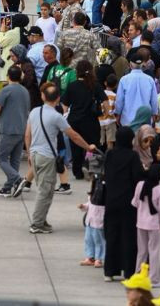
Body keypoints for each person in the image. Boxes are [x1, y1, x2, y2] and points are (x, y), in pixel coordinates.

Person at [26, 81, 95, 233]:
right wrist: (87, 146)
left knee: (46, 190)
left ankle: (41, 220)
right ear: (58, 99)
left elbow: (27, 135)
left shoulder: (34, 112)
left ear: (43, 96)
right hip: (47, 157)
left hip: (35, 155)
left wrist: (29, 153)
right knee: (45, 191)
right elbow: (73, 136)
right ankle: (37, 224)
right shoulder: (57, 117)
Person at [103, 126, 146, 280]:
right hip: (128, 202)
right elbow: (138, 176)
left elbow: (106, 174)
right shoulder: (132, 156)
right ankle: (128, 271)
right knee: (129, 237)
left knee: (112, 236)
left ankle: (110, 271)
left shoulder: (109, 154)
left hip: (111, 200)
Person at [0, 65, 32, 196]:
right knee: (14, 160)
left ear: (8, 76)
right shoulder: (25, 91)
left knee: (1, 158)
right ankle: (8, 187)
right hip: (22, 128)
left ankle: (18, 179)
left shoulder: (6, 90)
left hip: (8, 128)